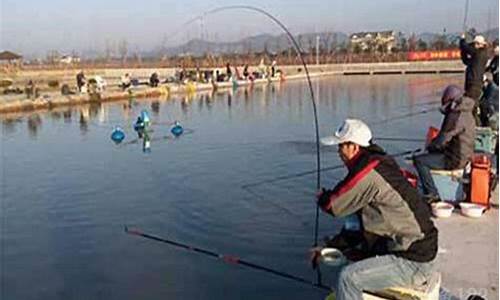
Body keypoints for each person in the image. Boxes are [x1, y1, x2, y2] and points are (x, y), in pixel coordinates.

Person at [313, 119, 438, 300]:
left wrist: (322, 198)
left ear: (354, 147)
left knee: (348, 278)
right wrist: (331, 246)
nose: (338, 152)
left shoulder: (368, 173)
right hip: (415, 248)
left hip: (414, 259)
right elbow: (355, 225)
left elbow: (334, 205)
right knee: (355, 255)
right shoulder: (378, 163)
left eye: (341, 146)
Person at [413, 85, 476, 202]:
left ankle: (432, 193)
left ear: (451, 102)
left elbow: (441, 140)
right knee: (428, 156)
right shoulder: (467, 111)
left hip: (455, 160)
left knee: (419, 160)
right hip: (465, 155)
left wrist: (430, 146)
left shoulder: (454, 116)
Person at [460, 34, 488, 101]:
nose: (474, 46)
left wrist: (462, 39)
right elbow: (466, 61)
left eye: (475, 44)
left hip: (474, 84)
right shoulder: (477, 56)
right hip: (473, 84)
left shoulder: (479, 52)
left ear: (480, 44)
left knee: (469, 103)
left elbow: (465, 47)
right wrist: (463, 51)